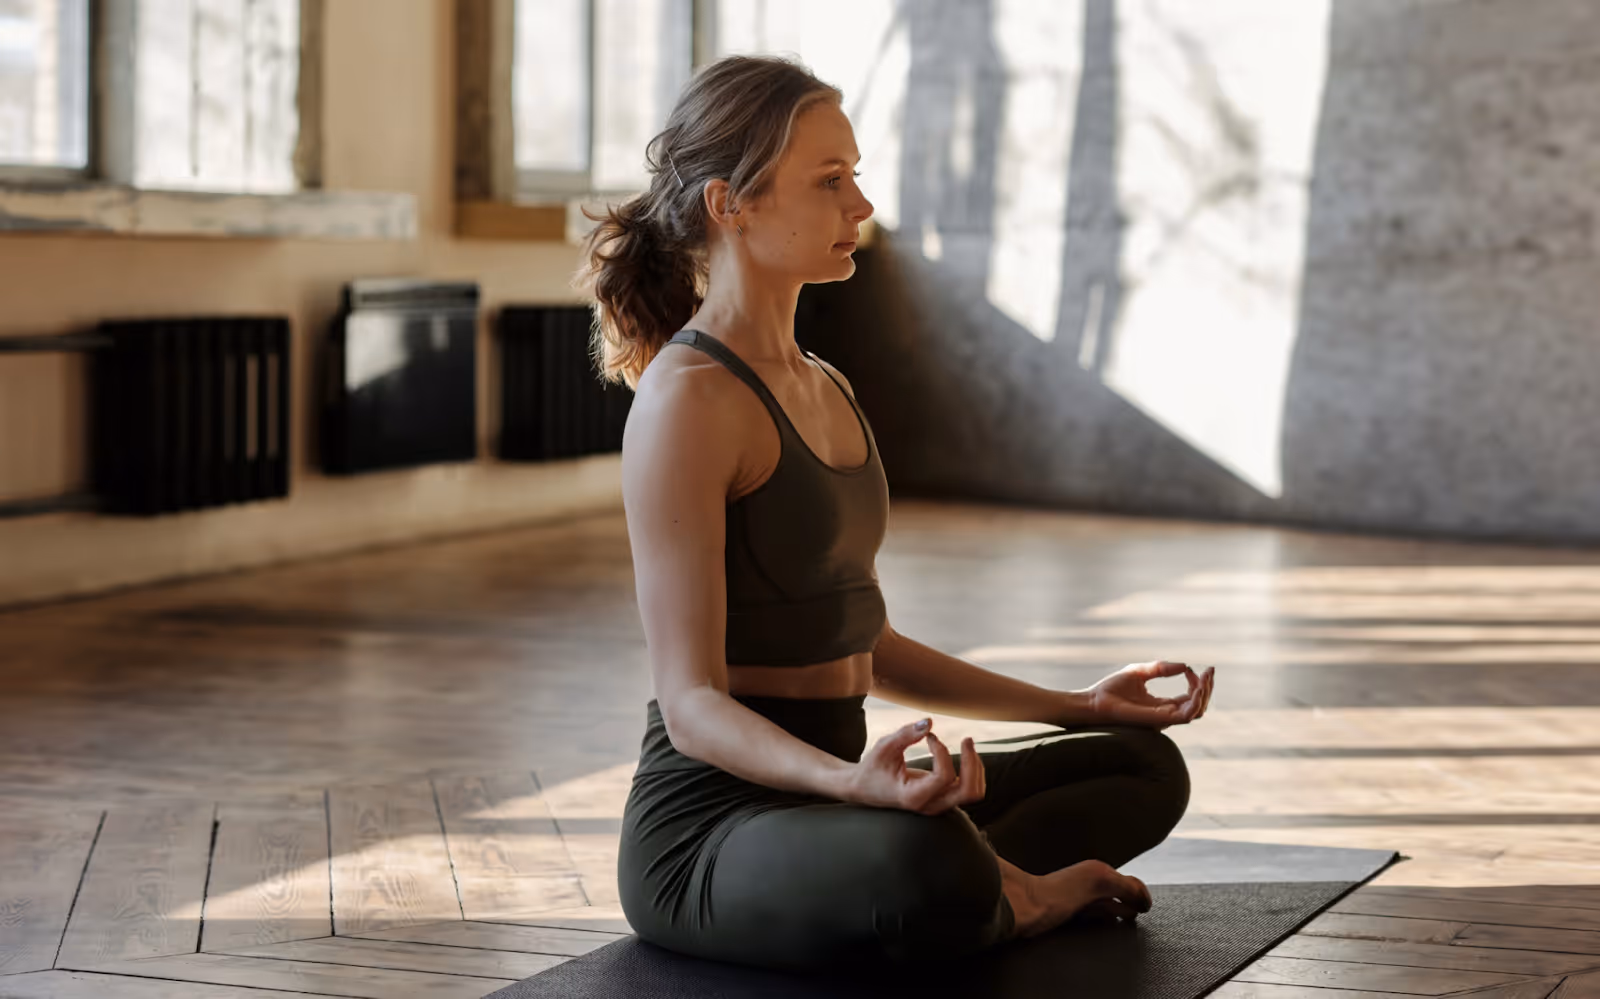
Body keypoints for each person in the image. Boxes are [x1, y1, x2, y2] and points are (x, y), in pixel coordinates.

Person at [571, 53, 1216, 974]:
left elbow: (862, 644)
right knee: (929, 857)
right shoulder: (688, 401)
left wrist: (1078, 702)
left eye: (856, 177)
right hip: (713, 831)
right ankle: (1012, 894)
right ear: (730, 205)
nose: (860, 207)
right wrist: (851, 783)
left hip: (843, 800)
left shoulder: (823, 384)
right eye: (830, 181)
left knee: (1140, 764)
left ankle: (977, 881)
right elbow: (692, 706)